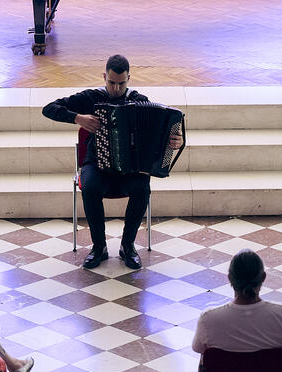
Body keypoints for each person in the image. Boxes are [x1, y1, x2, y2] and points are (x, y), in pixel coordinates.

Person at [42, 54, 183, 270]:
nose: (116, 88)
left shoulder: (139, 101)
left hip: (131, 169)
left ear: (129, 79)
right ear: (104, 77)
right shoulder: (91, 98)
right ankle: (99, 247)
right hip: (97, 163)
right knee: (89, 187)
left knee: (142, 188)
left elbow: (159, 136)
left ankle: (128, 246)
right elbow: (49, 108)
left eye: (121, 83)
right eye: (111, 83)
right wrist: (78, 118)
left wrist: (174, 141)